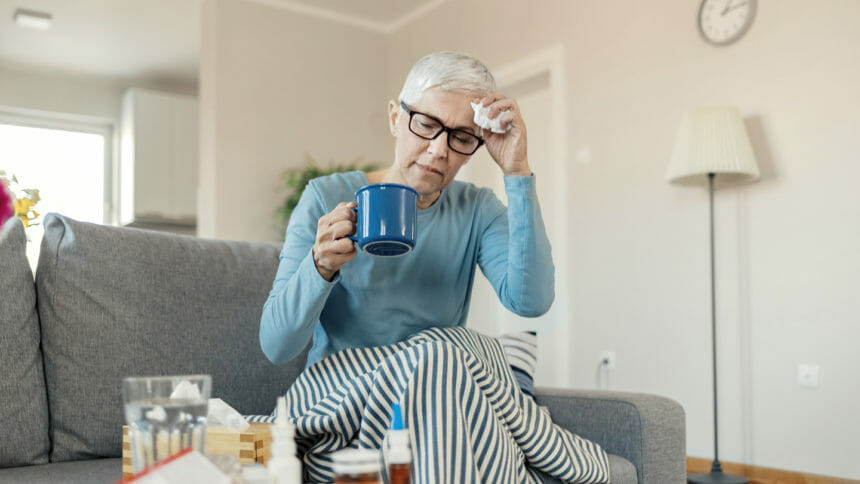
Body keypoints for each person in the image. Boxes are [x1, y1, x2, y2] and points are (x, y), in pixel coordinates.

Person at [259, 51, 555, 368]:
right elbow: (277, 346)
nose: (439, 150)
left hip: (432, 394)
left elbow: (530, 302)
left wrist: (517, 171)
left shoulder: (478, 209)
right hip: (345, 392)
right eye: (427, 125)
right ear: (394, 119)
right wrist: (318, 266)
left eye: (462, 138)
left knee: (467, 353)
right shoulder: (324, 196)